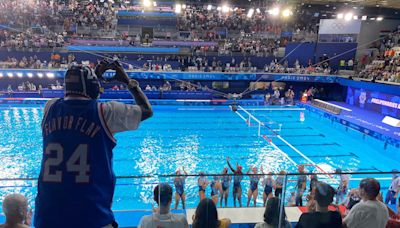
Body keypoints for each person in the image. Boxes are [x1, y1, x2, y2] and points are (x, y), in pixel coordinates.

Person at [35, 61, 153, 228]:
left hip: (47, 216)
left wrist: (94, 78)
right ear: (92, 86)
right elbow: (146, 110)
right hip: (91, 215)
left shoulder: (50, 108)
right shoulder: (106, 112)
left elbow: (78, 100)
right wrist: (126, 80)